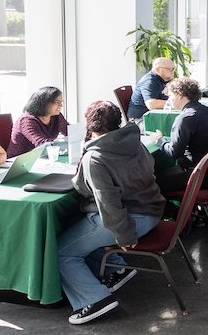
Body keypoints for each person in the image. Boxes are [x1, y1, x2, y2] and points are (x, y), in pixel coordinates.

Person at [58, 101, 165, 325]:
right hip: (153, 211)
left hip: (131, 221)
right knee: (79, 230)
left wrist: (125, 235)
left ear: (90, 125)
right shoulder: (134, 141)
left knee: (60, 252)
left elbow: (108, 202)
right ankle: (116, 269)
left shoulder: (95, 157)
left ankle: (94, 300)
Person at [149, 78, 208, 192]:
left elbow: (174, 152)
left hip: (195, 176)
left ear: (180, 95)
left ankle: (172, 210)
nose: (168, 100)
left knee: (149, 184)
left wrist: (159, 139)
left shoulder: (185, 119)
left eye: (170, 96)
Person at [7, 86, 69, 158]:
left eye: (61, 102)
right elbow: (42, 144)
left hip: (42, 158)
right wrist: (63, 140)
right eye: (57, 102)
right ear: (44, 103)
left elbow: (69, 131)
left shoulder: (55, 116)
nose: (61, 106)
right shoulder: (26, 120)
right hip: (19, 161)